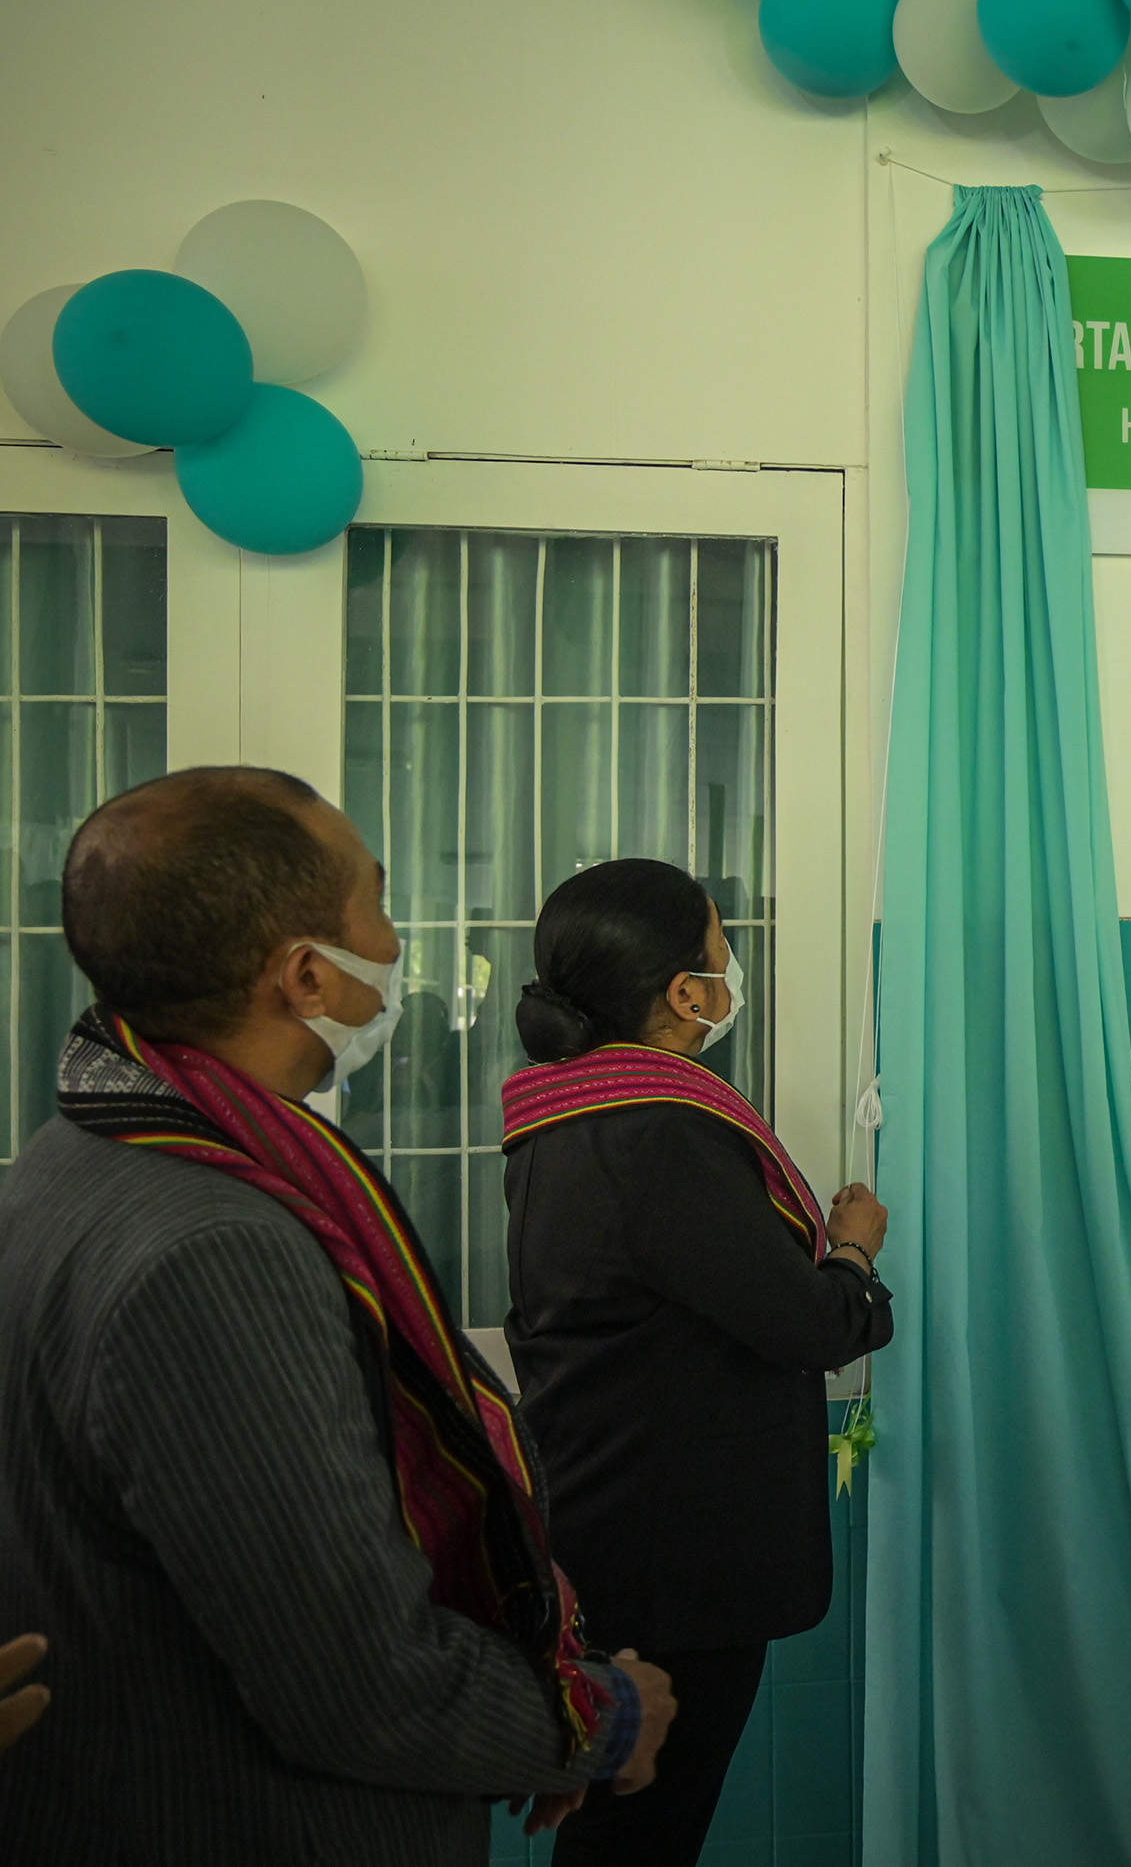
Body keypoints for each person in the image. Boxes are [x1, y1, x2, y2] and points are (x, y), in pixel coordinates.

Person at [0, 766, 674, 1860]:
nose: (399, 944)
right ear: (308, 973)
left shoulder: (75, 1149)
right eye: (380, 903)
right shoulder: (217, 1247)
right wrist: (599, 1719)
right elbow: (355, 1678)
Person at [501, 857, 894, 1866]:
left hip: (609, 1518)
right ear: (684, 993)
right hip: (673, 1558)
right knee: (642, 1834)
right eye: (724, 952)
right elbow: (805, 1322)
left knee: (624, 1826)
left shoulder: (565, 1114)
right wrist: (852, 1249)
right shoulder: (658, 1133)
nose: (732, 972)